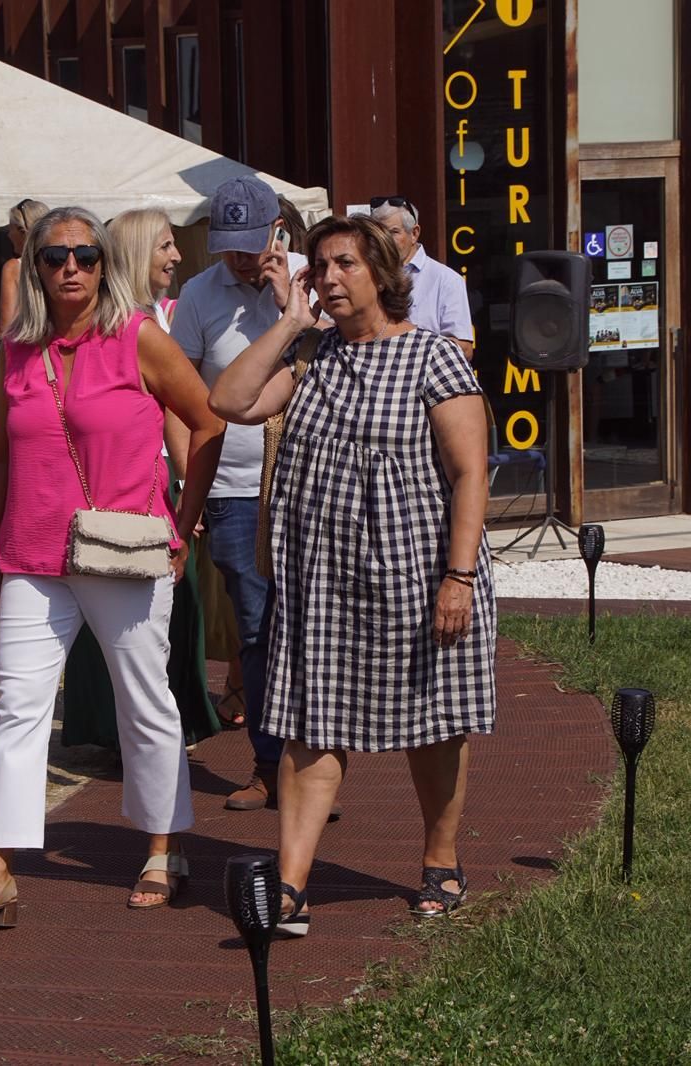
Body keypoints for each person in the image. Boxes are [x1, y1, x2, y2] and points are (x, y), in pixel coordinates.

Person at [0, 206, 224, 928]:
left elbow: (210, 419)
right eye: (55, 255)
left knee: (144, 702)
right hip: (32, 556)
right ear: (33, 265)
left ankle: (164, 847)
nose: (71, 267)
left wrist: (183, 521)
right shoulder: (18, 352)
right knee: (17, 711)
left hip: (125, 550)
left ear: (104, 264)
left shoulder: (138, 339)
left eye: (86, 255)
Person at [209, 214, 497, 933]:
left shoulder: (434, 356)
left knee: (433, 724)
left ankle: (441, 861)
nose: (330, 278)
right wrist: (288, 322)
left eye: (345, 265)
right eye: (320, 267)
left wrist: (457, 577)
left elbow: (469, 475)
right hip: (322, 582)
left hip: (417, 570)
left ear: (381, 273)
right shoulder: (311, 357)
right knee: (310, 725)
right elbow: (229, 401)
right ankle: (291, 885)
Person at [169, 175, 310, 814]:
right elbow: (179, 397)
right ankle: (269, 765)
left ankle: (312, 770)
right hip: (233, 487)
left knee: (309, 627)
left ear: (277, 233)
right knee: (257, 629)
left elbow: (342, 361)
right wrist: (186, 483)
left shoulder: (316, 280)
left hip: (310, 484)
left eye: (250, 245)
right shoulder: (198, 296)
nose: (240, 259)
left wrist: (290, 308)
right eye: (228, 247)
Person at [60, 208, 222, 753]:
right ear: (135, 254)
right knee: (126, 614)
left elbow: (186, 415)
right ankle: (127, 733)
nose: (177, 256)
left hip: (157, 484)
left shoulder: (153, 318)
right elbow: (185, 417)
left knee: (163, 613)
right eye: (165, 246)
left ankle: (147, 730)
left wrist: (187, 492)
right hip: (124, 490)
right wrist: (184, 497)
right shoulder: (123, 326)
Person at [369, 196, 474, 358]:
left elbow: (464, 349)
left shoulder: (446, 280)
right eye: (380, 234)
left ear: (414, 234)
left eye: (394, 232)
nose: (386, 241)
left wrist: (412, 356)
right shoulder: (367, 275)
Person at [0, 198, 51, 342]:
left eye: (10, 229)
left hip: (29, 359)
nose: (8, 235)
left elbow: (6, 334)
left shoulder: (14, 268)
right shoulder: (59, 263)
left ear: (22, 231)